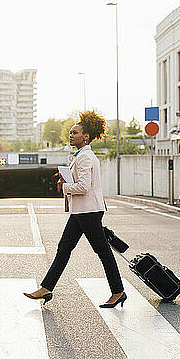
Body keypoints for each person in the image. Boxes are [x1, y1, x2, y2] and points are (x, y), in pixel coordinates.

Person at [24, 110, 126, 308]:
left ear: (86, 136)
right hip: (81, 211)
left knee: (102, 251)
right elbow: (80, 183)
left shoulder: (86, 157)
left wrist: (65, 186)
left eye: (75, 132)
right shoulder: (79, 156)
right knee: (64, 249)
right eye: (70, 132)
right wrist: (68, 179)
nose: (71, 135)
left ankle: (118, 291)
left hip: (88, 211)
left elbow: (84, 187)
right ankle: (46, 288)